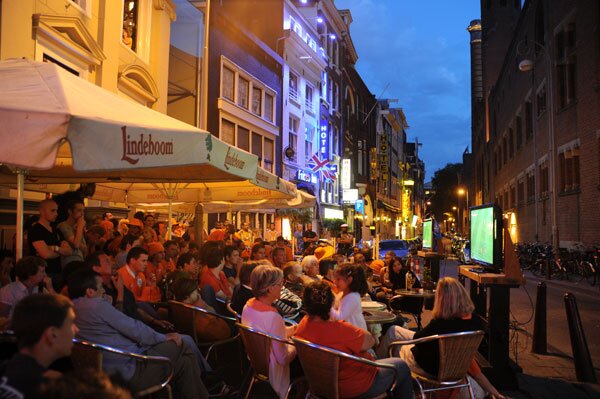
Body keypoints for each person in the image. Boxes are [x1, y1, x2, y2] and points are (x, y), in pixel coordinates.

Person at [68, 269, 209, 399]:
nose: (104, 290)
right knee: (182, 343)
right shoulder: (97, 306)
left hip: (108, 371)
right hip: (131, 370)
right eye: (100, 287)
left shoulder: (71, 309)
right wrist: (163, 337)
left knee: (185, 362)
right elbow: (134, 328)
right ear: (89, 292)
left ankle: (205, 390)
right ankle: (209, 379)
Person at [377, 277, 506, 399]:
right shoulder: (476, 322)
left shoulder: (439, 324)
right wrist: (496, 393)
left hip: (431, 368)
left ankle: (377, 373)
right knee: (395, 332)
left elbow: (418, 339)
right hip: (454, 364)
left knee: (396, 341)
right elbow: (477, 373)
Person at [294, 282, 414, 399]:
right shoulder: (339, 329)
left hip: (321, 386)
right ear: (331, 302)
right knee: (401, 365)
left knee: (373, 355)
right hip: (355, 386)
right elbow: (370, 341)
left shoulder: (303, 325)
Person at [0, 294, 77, 399]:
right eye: (71, 323)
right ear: (52, 334)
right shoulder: (49, 389)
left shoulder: (6, 369)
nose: (76, 330)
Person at [241, 265, 296, 399]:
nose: (282, 287)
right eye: (280, 284)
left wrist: (294, 330)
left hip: (258, 365)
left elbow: (273, 333)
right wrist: (297, 341)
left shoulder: (248, 306)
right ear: (270, 288)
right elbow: (283, 358)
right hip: (274, 374)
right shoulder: (273, 316)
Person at [28, 199, 72, 282]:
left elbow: (69, 251)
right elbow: (46, 254)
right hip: (42, 274)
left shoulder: (56, 230)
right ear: (42, 211)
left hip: (58, 272)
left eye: (56, 210)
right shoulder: (35, 230)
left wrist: (55, 248)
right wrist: (61, 252)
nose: (56, 214)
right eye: (53, 210)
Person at [330, 264, 368, 331]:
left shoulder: (352, 297)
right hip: (348, 331)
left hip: (356, 332)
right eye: (335, 279)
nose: (335, 282)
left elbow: (340, 317)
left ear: (349, 280)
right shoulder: (341, 294)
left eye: (338, 279)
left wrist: (326, 307)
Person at [57, 199, 88, 267]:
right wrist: (80, 226)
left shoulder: (77, 227)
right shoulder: (63, 226)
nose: (82, 213)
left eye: (83, 210)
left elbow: (85, 248)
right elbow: (76, 245)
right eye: (79, 210)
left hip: (80, 262)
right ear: (70, 211)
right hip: (70, 264)